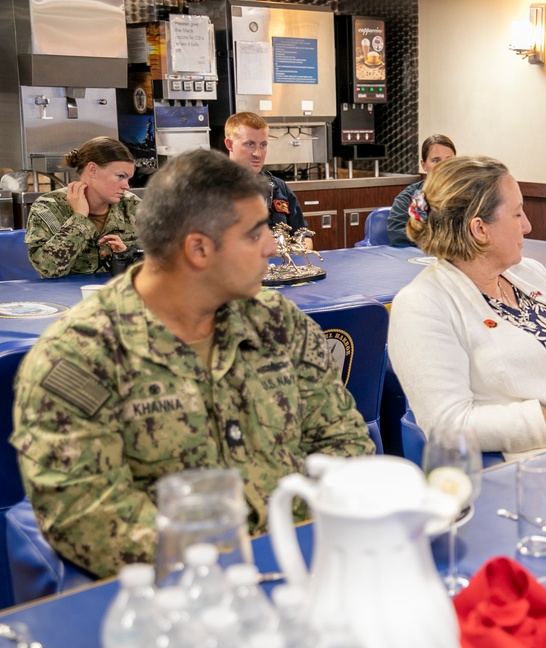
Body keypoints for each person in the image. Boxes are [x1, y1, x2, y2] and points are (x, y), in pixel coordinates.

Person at [10, 149, 374, 579]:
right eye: (256, 234)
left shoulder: (278, 324)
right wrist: (228, 567)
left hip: (311, 563)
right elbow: (90, 518)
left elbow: (345, 443)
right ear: (199, 249)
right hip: (184, 595)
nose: (273, 247)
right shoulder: (81, 357)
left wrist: (308, 544)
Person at [388, 156, 546, 459]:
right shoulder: (422, 304)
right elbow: (449, 425)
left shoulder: (529, 272)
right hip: (540, 464)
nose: (527, 226)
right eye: (517, 214)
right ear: (480, 229)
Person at [25, 137, 141, 279]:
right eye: (120, 176)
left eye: (128, 178)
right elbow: (48, 270)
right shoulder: (48, 207)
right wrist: (79, 218)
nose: (126, 186)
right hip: (65, 298)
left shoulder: (132, 206)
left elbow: (159, 267)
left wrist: (127, 256)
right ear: (92, 169)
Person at [224, 112, 307, 231]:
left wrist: (298, 247)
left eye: (263, 145)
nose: (258, 153)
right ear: (229, 144)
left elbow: (304, 235)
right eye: (250, 144)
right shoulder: (210, 191)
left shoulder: (278, 187)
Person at [387, 134, 457, 246]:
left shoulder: (468, 195)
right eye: (436, 160)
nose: (444, 166)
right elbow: (396, 233)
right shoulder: (408, 197)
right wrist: (438, 244)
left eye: (449, 160)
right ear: (424, 165)